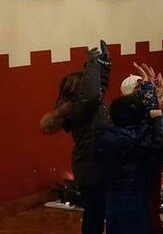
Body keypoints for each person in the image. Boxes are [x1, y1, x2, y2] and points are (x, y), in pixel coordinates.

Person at [40, 41, 111, 234]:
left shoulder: (85, 107)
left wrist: (104, 64)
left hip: (91, 165)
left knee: (98, 210)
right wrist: (93, 65)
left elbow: (97, 89)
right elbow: (91, 95)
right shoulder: (81, 109)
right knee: (95, 214)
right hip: (91, 167)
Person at [96, 95, 163, 234]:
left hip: (113, 193)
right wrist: (159, 118)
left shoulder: (105, 137)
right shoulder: (139, 139)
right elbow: (160, 139)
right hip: (136, 193)